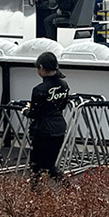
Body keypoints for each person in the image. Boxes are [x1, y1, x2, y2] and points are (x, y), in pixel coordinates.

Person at [24, 51, 70, 181]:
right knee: (50, 164)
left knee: (36, 166)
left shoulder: (39, 89)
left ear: (41, 68)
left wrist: (26, 111)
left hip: (42, 130)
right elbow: (62, 106)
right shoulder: (64, 85)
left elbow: (35, 113)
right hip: (59, 128)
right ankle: (68, 187)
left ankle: (36, 191)